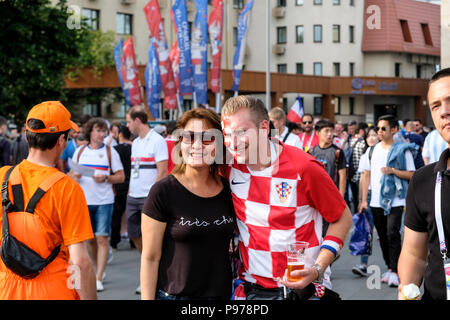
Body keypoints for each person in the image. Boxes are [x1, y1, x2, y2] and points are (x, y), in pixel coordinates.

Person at [221, 96, 352, 300]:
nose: (233, 143)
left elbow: (342, 218)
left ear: (264, 128)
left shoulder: (304, 167)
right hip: (251, 289)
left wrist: (318, 268)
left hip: (303, 291)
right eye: (227, 134)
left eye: (241, 132)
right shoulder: (229, 166)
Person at [0, 101, 96, 300]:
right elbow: (79, 262)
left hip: (6, 288)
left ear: (27, 136)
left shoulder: (2, 178)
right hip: (54, 290)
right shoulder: (67, 188)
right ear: (61, 140)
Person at [141, 108, 235, 300]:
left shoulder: (228, 190)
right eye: (189, 137)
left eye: (207, 138)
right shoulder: (163, 191)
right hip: (176, 296)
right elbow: (150, 258)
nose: (197, 145)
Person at [398, 68, 450, 300]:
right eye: (436, 105)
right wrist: (407, 289)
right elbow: (414, 253)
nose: (444, 112)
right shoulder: (424, 180)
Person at [69, 118, 125, 292]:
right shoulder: (79, 151)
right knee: (90, 240)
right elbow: (71, 174)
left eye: (104, 131)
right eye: (98, 130)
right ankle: (97, 269)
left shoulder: (110, 152)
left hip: (104, 201)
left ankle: (99, 276)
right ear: (90, 132)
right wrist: (74, 176)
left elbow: (121, 177)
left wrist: (106, 178)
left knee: (102, 238)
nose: (101, 134)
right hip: (84, 201)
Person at [359, 115, 416, 287]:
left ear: (394, 130)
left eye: (383, 128)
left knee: (392, 234)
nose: (379, 132)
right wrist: (363, 200)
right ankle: (390, 267)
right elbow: (365, 175)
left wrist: (393, 171)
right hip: (375, 201)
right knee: (382, 235)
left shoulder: (402, 150)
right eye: (378, 128)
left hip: (395, 200)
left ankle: (396, 270)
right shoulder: (372, 150)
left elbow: (412, 174)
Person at [126, 106, 168, 294]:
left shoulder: (157, 140)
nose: (126, 126)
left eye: (128, 121)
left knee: (152, 238)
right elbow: (134, 170)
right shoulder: (135, 143)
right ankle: (148, 266)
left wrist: (154, 195)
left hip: (148, 197)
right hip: (133, 195)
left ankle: (151, 275)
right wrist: (129, 192)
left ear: (137, 120)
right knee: (134, 233)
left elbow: (162, 171)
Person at [309, 120, 347, 237]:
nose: (330, 134)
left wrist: (341, 197)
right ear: (318, 133)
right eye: (326, 131)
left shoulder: (337, 152)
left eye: (331, 131)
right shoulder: (311, 152)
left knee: (327, 231)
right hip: (314, 197)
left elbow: (342, 175)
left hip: (331, 196)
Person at [351, 126, 379, 276]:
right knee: (366, 231)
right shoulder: (366, 155)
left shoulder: (386, 152)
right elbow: (364, 178)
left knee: (390, 233)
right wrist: (362, 200)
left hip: (385, 197)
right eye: (369, 136)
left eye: (374, 135)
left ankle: (395, 266)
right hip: (369, 195)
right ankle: (363, 264)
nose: (372, 138)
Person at [110, 125, 132, 250]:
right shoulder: (134, 149)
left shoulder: (114, 150)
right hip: (131, 184)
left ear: (120, 135)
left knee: (116, 214)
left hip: (118, 184)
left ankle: (114, 241)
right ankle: (134, 240)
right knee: (132, 214)